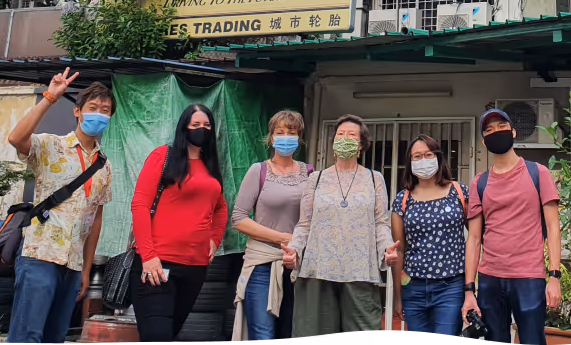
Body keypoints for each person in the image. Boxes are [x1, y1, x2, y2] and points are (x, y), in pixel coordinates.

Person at [5, 70, 114, 345]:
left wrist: (87, 269)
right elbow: (16, 139)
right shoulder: (52, 145)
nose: (99, 114)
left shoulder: (104, 165)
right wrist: (49, 98)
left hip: (74, 263)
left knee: (55, 336)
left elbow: (96, 219)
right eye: (93, 108)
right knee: (26, 334)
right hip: (40, 254)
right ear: (77, 112)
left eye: (106, 110)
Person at [282, 114, 400, 337]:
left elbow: (380, 223)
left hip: (360, 271)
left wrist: (386, 249)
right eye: (340, 134)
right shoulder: (315, 179)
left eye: (351, 135)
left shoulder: (374, 179)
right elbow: (304, 224)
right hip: (317, 270)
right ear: (334, 142)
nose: (345, 138)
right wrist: (294, 251)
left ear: (361, 145)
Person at [462, 108, 563, 345]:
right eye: (489, 130)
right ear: (484, 142)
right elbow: (474, 239)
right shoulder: (480, 182)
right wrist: (469, 289)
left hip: (528, 277)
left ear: (514, 132)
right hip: (490, 278)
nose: (496, 132)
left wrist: (554, 276)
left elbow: (553, 227)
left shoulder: (538, 173)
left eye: (501, 127)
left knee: (532, 340)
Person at [130, 104, 228, 343]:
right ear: (184, 127)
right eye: (196, 125)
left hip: (195, 268)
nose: (202, 129)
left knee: (170, 333)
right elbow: (140, 204)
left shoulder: (209, 165)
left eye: (207, 125)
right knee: (157, 335)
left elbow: (221, 207)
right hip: (157, 264)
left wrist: (214, 240)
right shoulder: (163, 155)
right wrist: (148, 255)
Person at [231, 110, 311, 341]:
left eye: (292, 132)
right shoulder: (259, 171)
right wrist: (282, 238)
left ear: (299, 138)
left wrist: (295, 245)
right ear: (271, 137)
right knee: (263, 333)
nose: (286, 137)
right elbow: (239, 217)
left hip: (298, 264)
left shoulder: (310, 174)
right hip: (262, 263)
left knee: (291, 331)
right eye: (280, 132)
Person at [391, 134, 469, 336]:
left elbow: (477, 238)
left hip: (451, 286)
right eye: (416, 156)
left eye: (428, 154)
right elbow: (399, 250)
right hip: (413, 287)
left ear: (438, 157)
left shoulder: (459, 191)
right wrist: (397, 296)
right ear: (409, 162)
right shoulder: (403, 199)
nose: (422, 160)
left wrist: (470, 288)